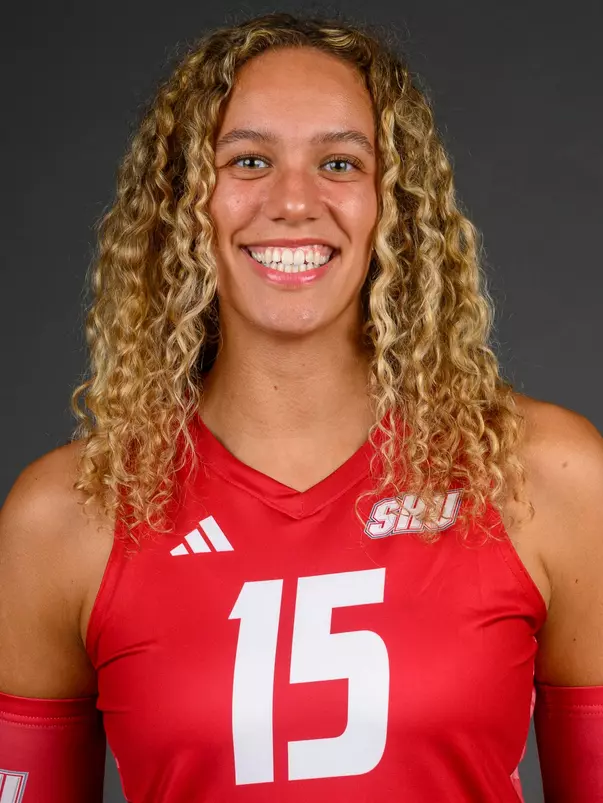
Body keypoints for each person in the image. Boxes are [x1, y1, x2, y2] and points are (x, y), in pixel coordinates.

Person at [1, 11, 602, 803]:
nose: (293, 201)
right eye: (248, 160)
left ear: (395, 202)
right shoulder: (70, 515)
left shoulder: (545, 479)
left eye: (340, 163)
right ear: (186, 202)